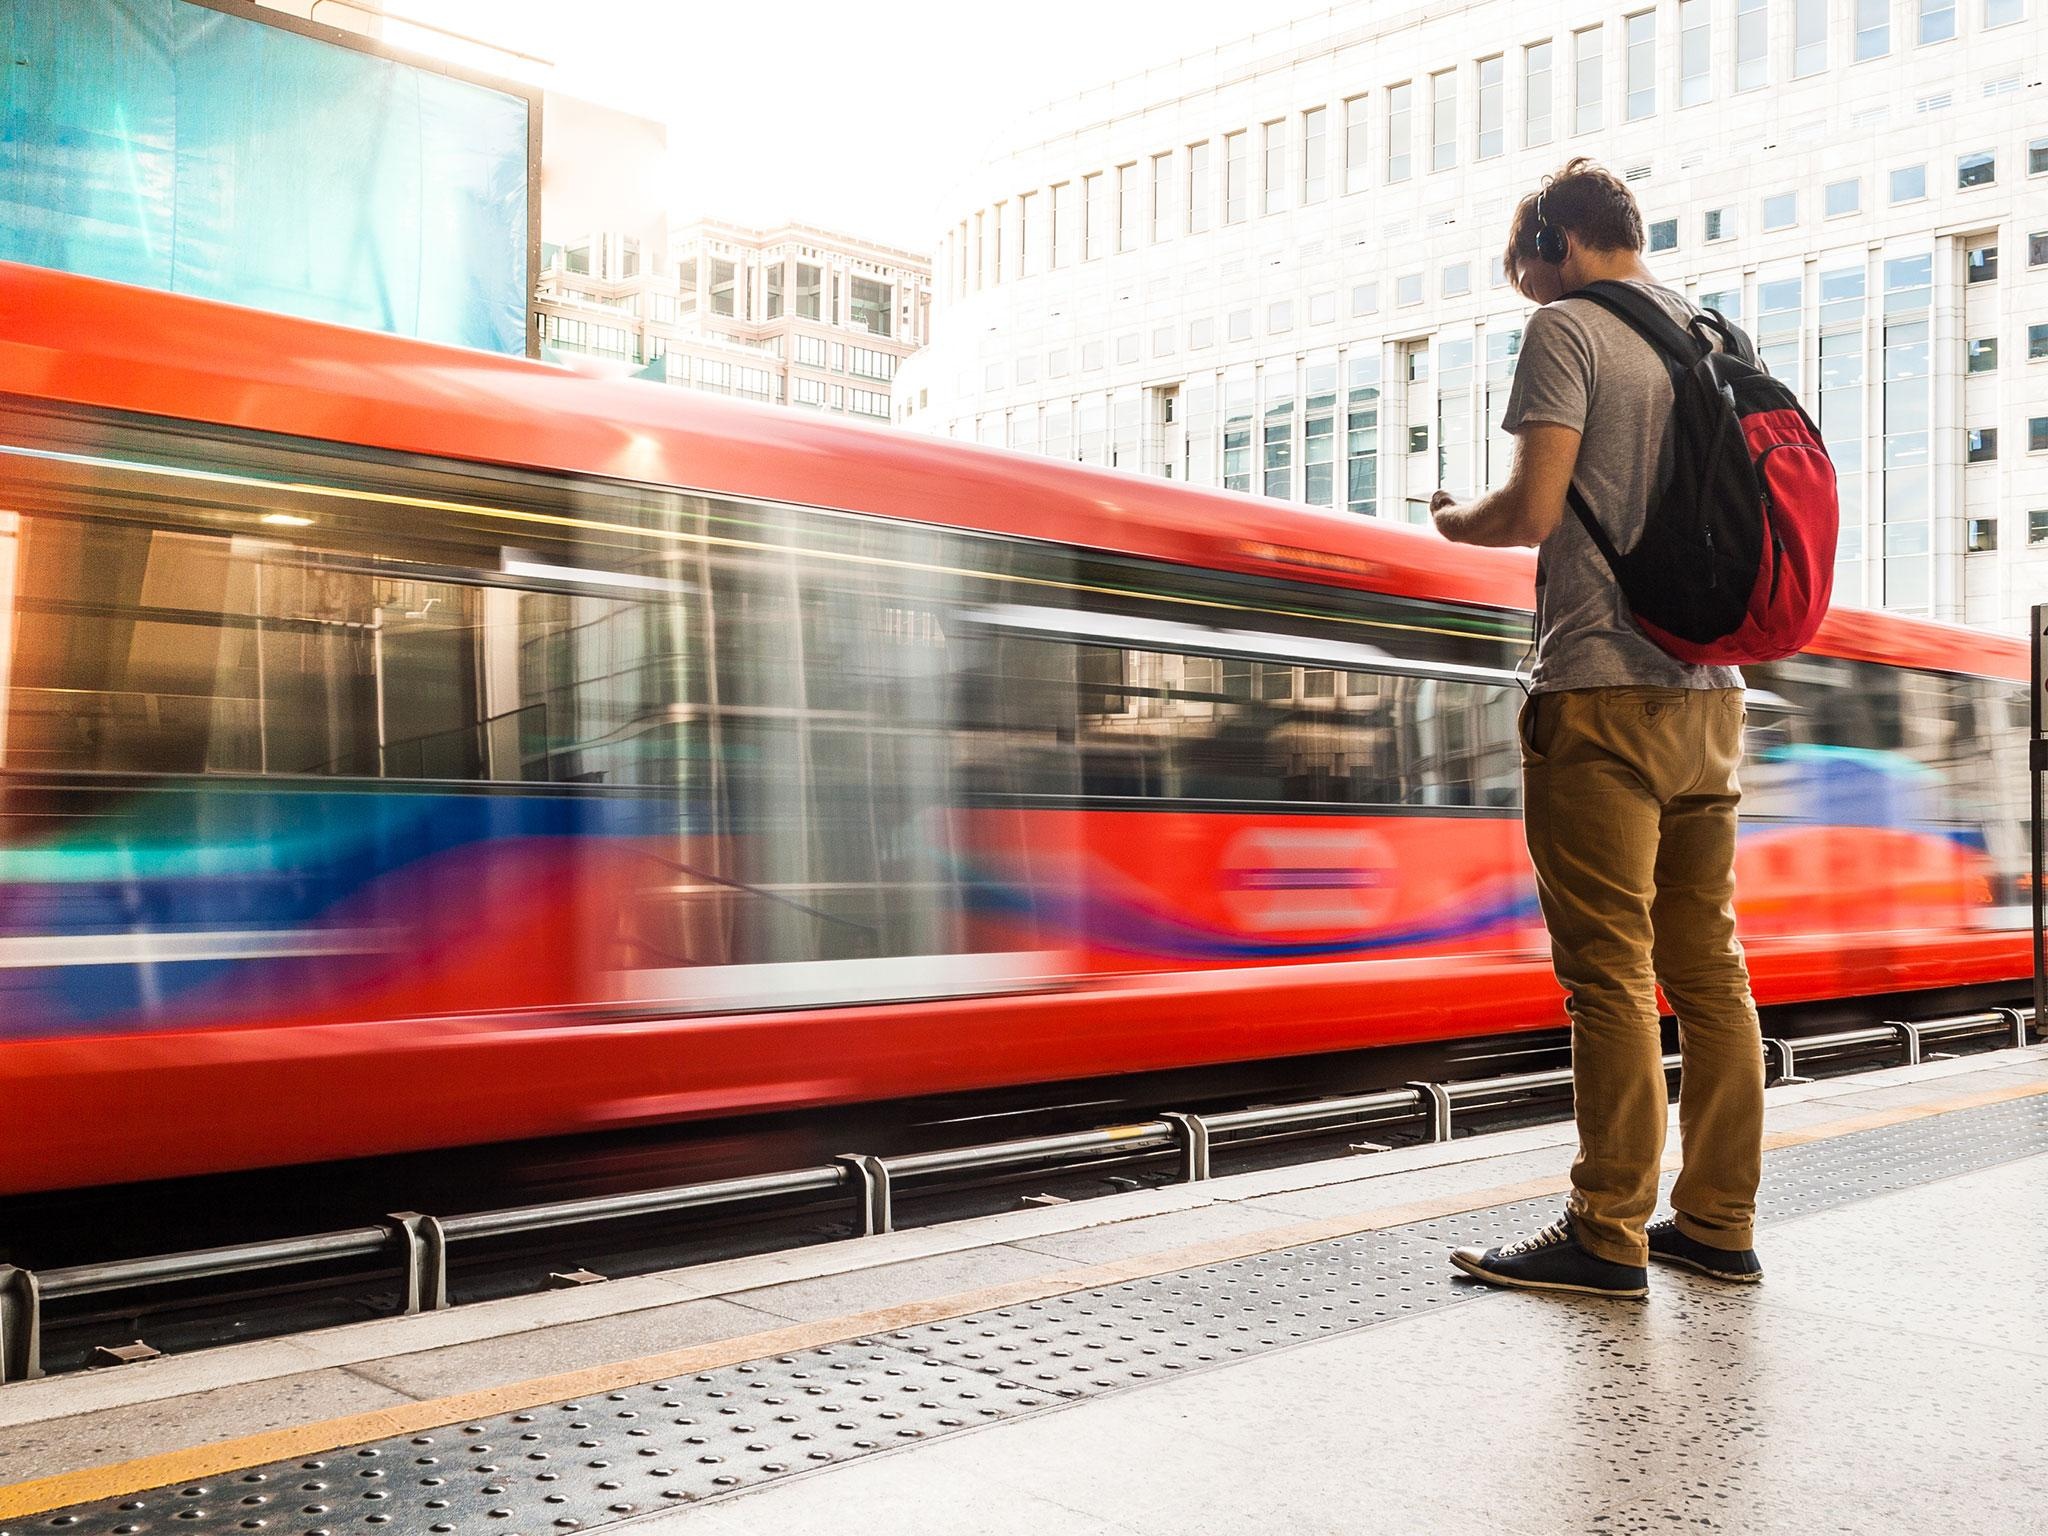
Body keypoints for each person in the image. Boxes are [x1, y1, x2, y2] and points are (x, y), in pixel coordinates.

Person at [1432, 158, 1766, 1298]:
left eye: (1523, 270)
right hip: (1712, 697)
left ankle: (1604, 1229)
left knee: (1609, 976)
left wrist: (1450, 522)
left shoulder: (1569, 328)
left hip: (1598, 690)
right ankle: (1717, 1221)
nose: (1525, 292)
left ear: (1551, 240)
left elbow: (1528, 510)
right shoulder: (1711, 331)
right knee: (1709, 973)